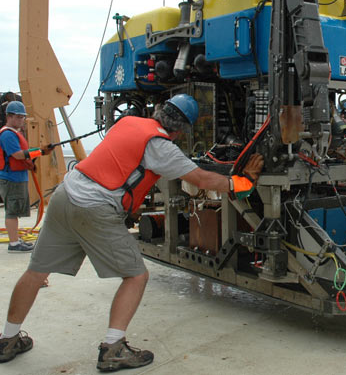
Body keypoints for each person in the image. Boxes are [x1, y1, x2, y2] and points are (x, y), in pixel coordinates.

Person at [0, 94, 264, 370]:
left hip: (66, 194)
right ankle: (113, 348)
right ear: (180, 130)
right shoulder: (161, 146)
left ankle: (7, 339)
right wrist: (240, 182)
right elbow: (201, 178)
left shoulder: (127, 123)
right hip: (95, 207)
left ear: (159, 111)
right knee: (136, 276)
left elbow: (123, 165)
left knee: (36, 271)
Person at [0, 101, 51, 253]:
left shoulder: (13, 134)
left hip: (17, 177)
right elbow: (17, 154)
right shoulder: (8, 134)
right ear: (9, 117)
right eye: (19, 117)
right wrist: (40, 151)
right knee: (12, 212)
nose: (22, 120)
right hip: (11, 178)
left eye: (23, 117)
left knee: (14, 211)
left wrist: (36, 154)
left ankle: (15, 240)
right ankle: (14, 244)